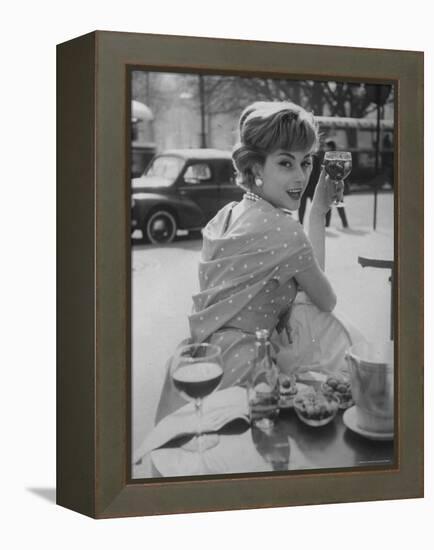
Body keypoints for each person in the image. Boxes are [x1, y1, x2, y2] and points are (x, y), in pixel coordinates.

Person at [184, 101, 361, 389]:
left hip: (205, 360)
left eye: (305, 162)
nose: (300, 177)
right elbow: (326, 301)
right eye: (285, 163)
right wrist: (317, 212)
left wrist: (316, 210)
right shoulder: (284, 230)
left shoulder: (225, 216)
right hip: (247, 373)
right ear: (255, 168)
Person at [323, 140, 349, 229]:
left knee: (336, 204)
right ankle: (331, 225)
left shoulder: (333, 157)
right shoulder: (329, 156)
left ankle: (330, 225)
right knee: (332, 205)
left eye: (326, 146)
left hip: (335, 183)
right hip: (332, 183)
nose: (325, 148)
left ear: (330, 147)